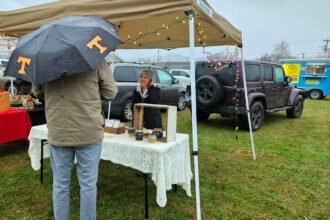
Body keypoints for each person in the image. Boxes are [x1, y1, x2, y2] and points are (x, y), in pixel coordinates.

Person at [32, 59, 117, 220]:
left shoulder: (44, 60)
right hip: (88, 130)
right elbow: (110, 92)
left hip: (59, 130)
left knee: (60, 184)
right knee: (88, 185)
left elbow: (37, 92)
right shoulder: (95, 58)